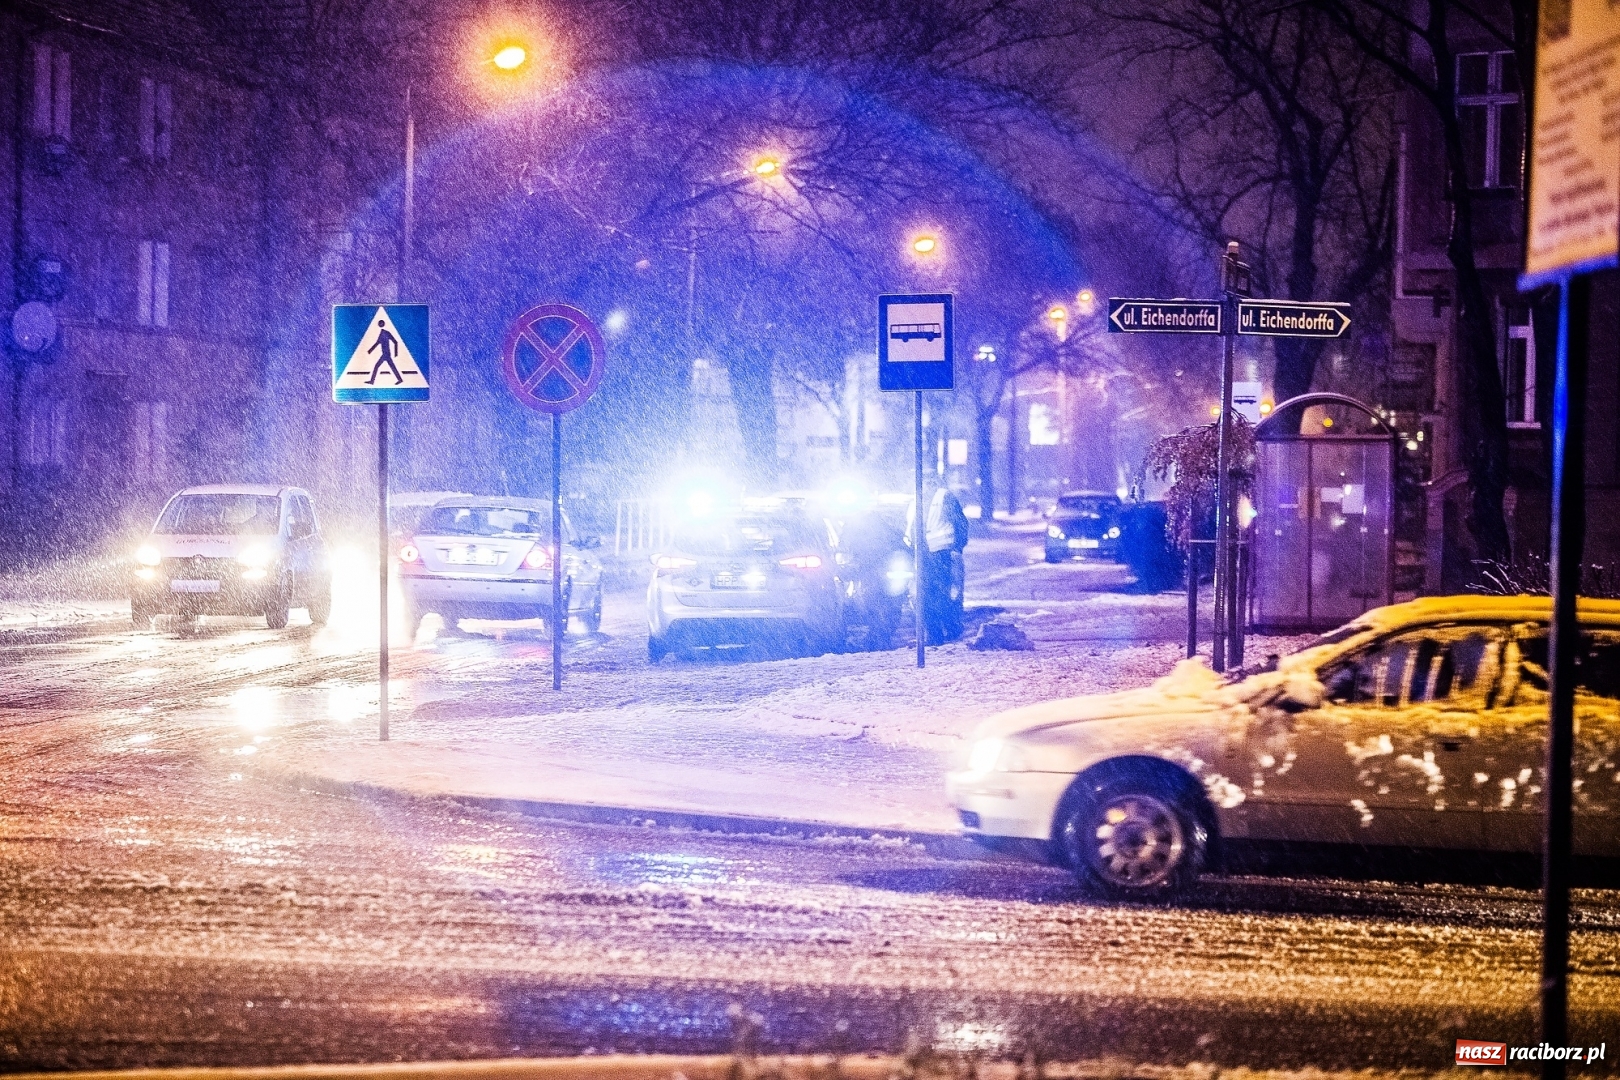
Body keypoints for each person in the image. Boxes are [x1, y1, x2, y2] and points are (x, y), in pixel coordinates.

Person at [906, 486, 969, 644]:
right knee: (925, 596)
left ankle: (948, 629)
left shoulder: (944, 497)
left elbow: (960, 523)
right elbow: (910, 527)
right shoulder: (914, 500)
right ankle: (936, 634)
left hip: (942, 552)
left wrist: (957, 548)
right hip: (923, 555)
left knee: (941, 594)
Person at [366, 320, 403, 385]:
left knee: (377, 366)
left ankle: (372, 381)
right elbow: (377, 343)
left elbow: (395, 342)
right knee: (391, 367)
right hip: (385, 354)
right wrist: (370, 350)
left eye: (380, 324)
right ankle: (400, 379)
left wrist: (396, 353)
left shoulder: (386, 333)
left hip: (386, 354)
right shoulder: (381, 334)